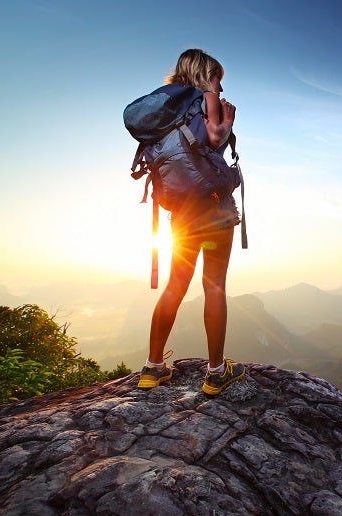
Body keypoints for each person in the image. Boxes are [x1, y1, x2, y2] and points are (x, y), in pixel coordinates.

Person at [137, 49, 245, 395]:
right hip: (214, 210)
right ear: (206, 74)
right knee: (213, 285)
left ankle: (153, 368)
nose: (221, 88)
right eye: (219, 79)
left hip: (181, 212)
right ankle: (216, 373)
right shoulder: (207, 97)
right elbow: (214, 139)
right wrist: (228, 121)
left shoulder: (165, 110)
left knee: (175, 285)